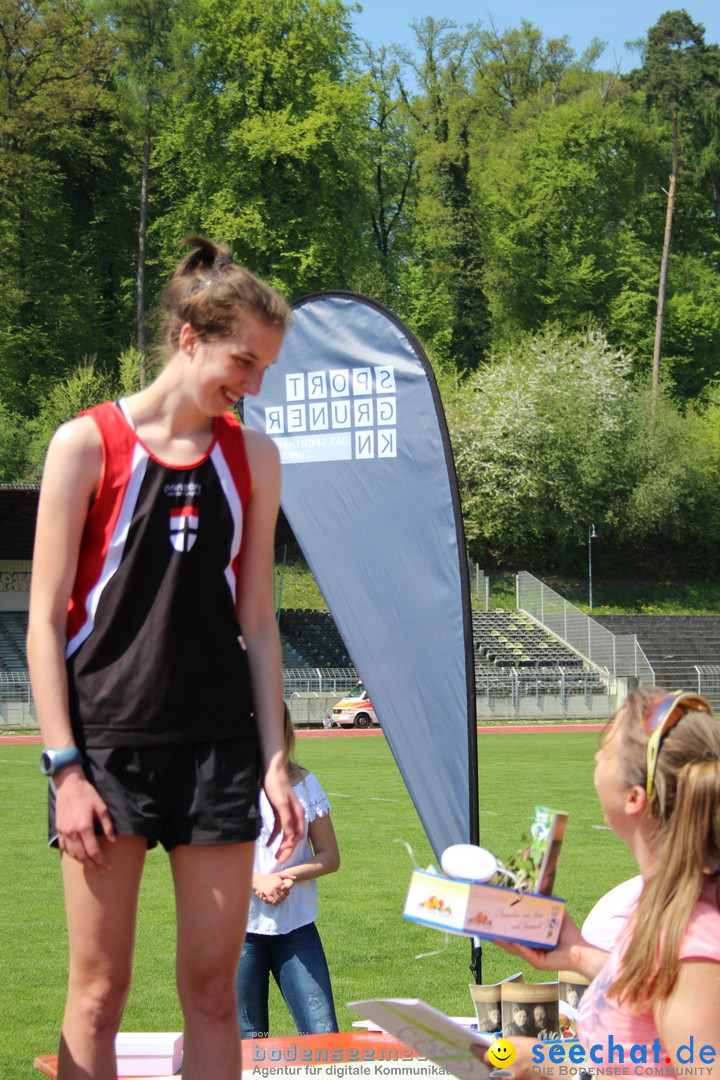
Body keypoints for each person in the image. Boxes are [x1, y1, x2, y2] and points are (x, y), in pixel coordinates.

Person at [26, 236, 305, 1080]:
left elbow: (258, 617)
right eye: (241, 361)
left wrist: (277, 760)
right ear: (190, 337)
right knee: (98, 994)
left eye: (264, 370)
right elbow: (42, 622)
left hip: (219, 751)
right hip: (106, 752)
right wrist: (65, 769)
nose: (251, 386)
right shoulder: (84, 444)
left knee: (213, 994)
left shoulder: (253, 458)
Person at [478, 687, 720, 1079]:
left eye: (604, 751)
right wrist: (576, 954)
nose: (594, 757)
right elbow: (648, 1043)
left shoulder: (691, 942)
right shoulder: (667, 904)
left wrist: (554, 1069)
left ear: (635, 798)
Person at [236, 705, 340, 1038]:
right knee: (247, 1044)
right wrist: (258, 880)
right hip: (238, 930)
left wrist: (287, 876)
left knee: (324, 1038)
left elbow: (329, 856)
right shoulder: (223, 786)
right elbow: (206, 862)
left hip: (296, 928)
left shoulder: (305, 784)